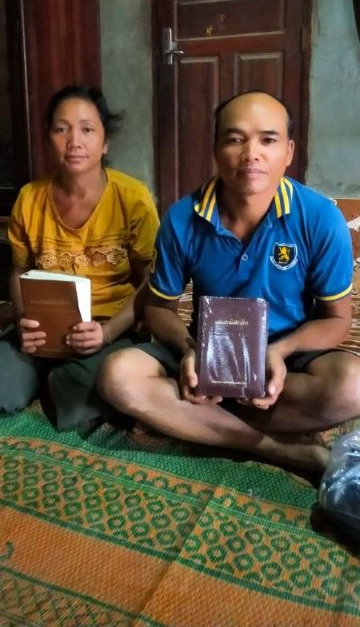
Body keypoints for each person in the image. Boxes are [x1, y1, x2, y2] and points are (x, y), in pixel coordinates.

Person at [98, 91, 360, 472]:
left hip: (289, 357)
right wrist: (190, 350)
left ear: (288, 152)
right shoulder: (182, 219)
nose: (251, 153)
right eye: (235, 139)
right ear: (216, 150)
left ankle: (193, 419)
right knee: (117, 375)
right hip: (206, 355)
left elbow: (337, 320)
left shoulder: (320, 219)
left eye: (267, 140)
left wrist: (281, 352)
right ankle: (278, 448)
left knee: (353, 386)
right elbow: (158, 309)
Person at [0, 85, 159, 429]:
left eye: (87, 129)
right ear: (48, 139)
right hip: (43, 329)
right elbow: (20, 270)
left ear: (104, 143)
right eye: (61, 129)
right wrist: (26, 321)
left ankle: (60, 381)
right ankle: (41, 376)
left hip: (107, 326)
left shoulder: (132, 197)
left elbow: (151, 280)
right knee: (3, 387)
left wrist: (107, 331)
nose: (74, 141)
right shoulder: (29, 198)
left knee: (74, 387)